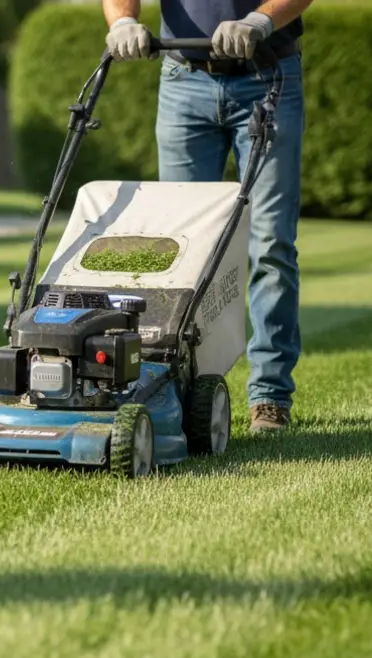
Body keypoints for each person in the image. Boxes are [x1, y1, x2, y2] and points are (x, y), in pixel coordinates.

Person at [102, 0, 313, 434]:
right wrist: (123, 20)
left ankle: (270, 398)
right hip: (184, 82)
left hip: (267, 76)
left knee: (271, 243)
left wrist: (261, 20)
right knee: (177, 250)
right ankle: (176, 391)